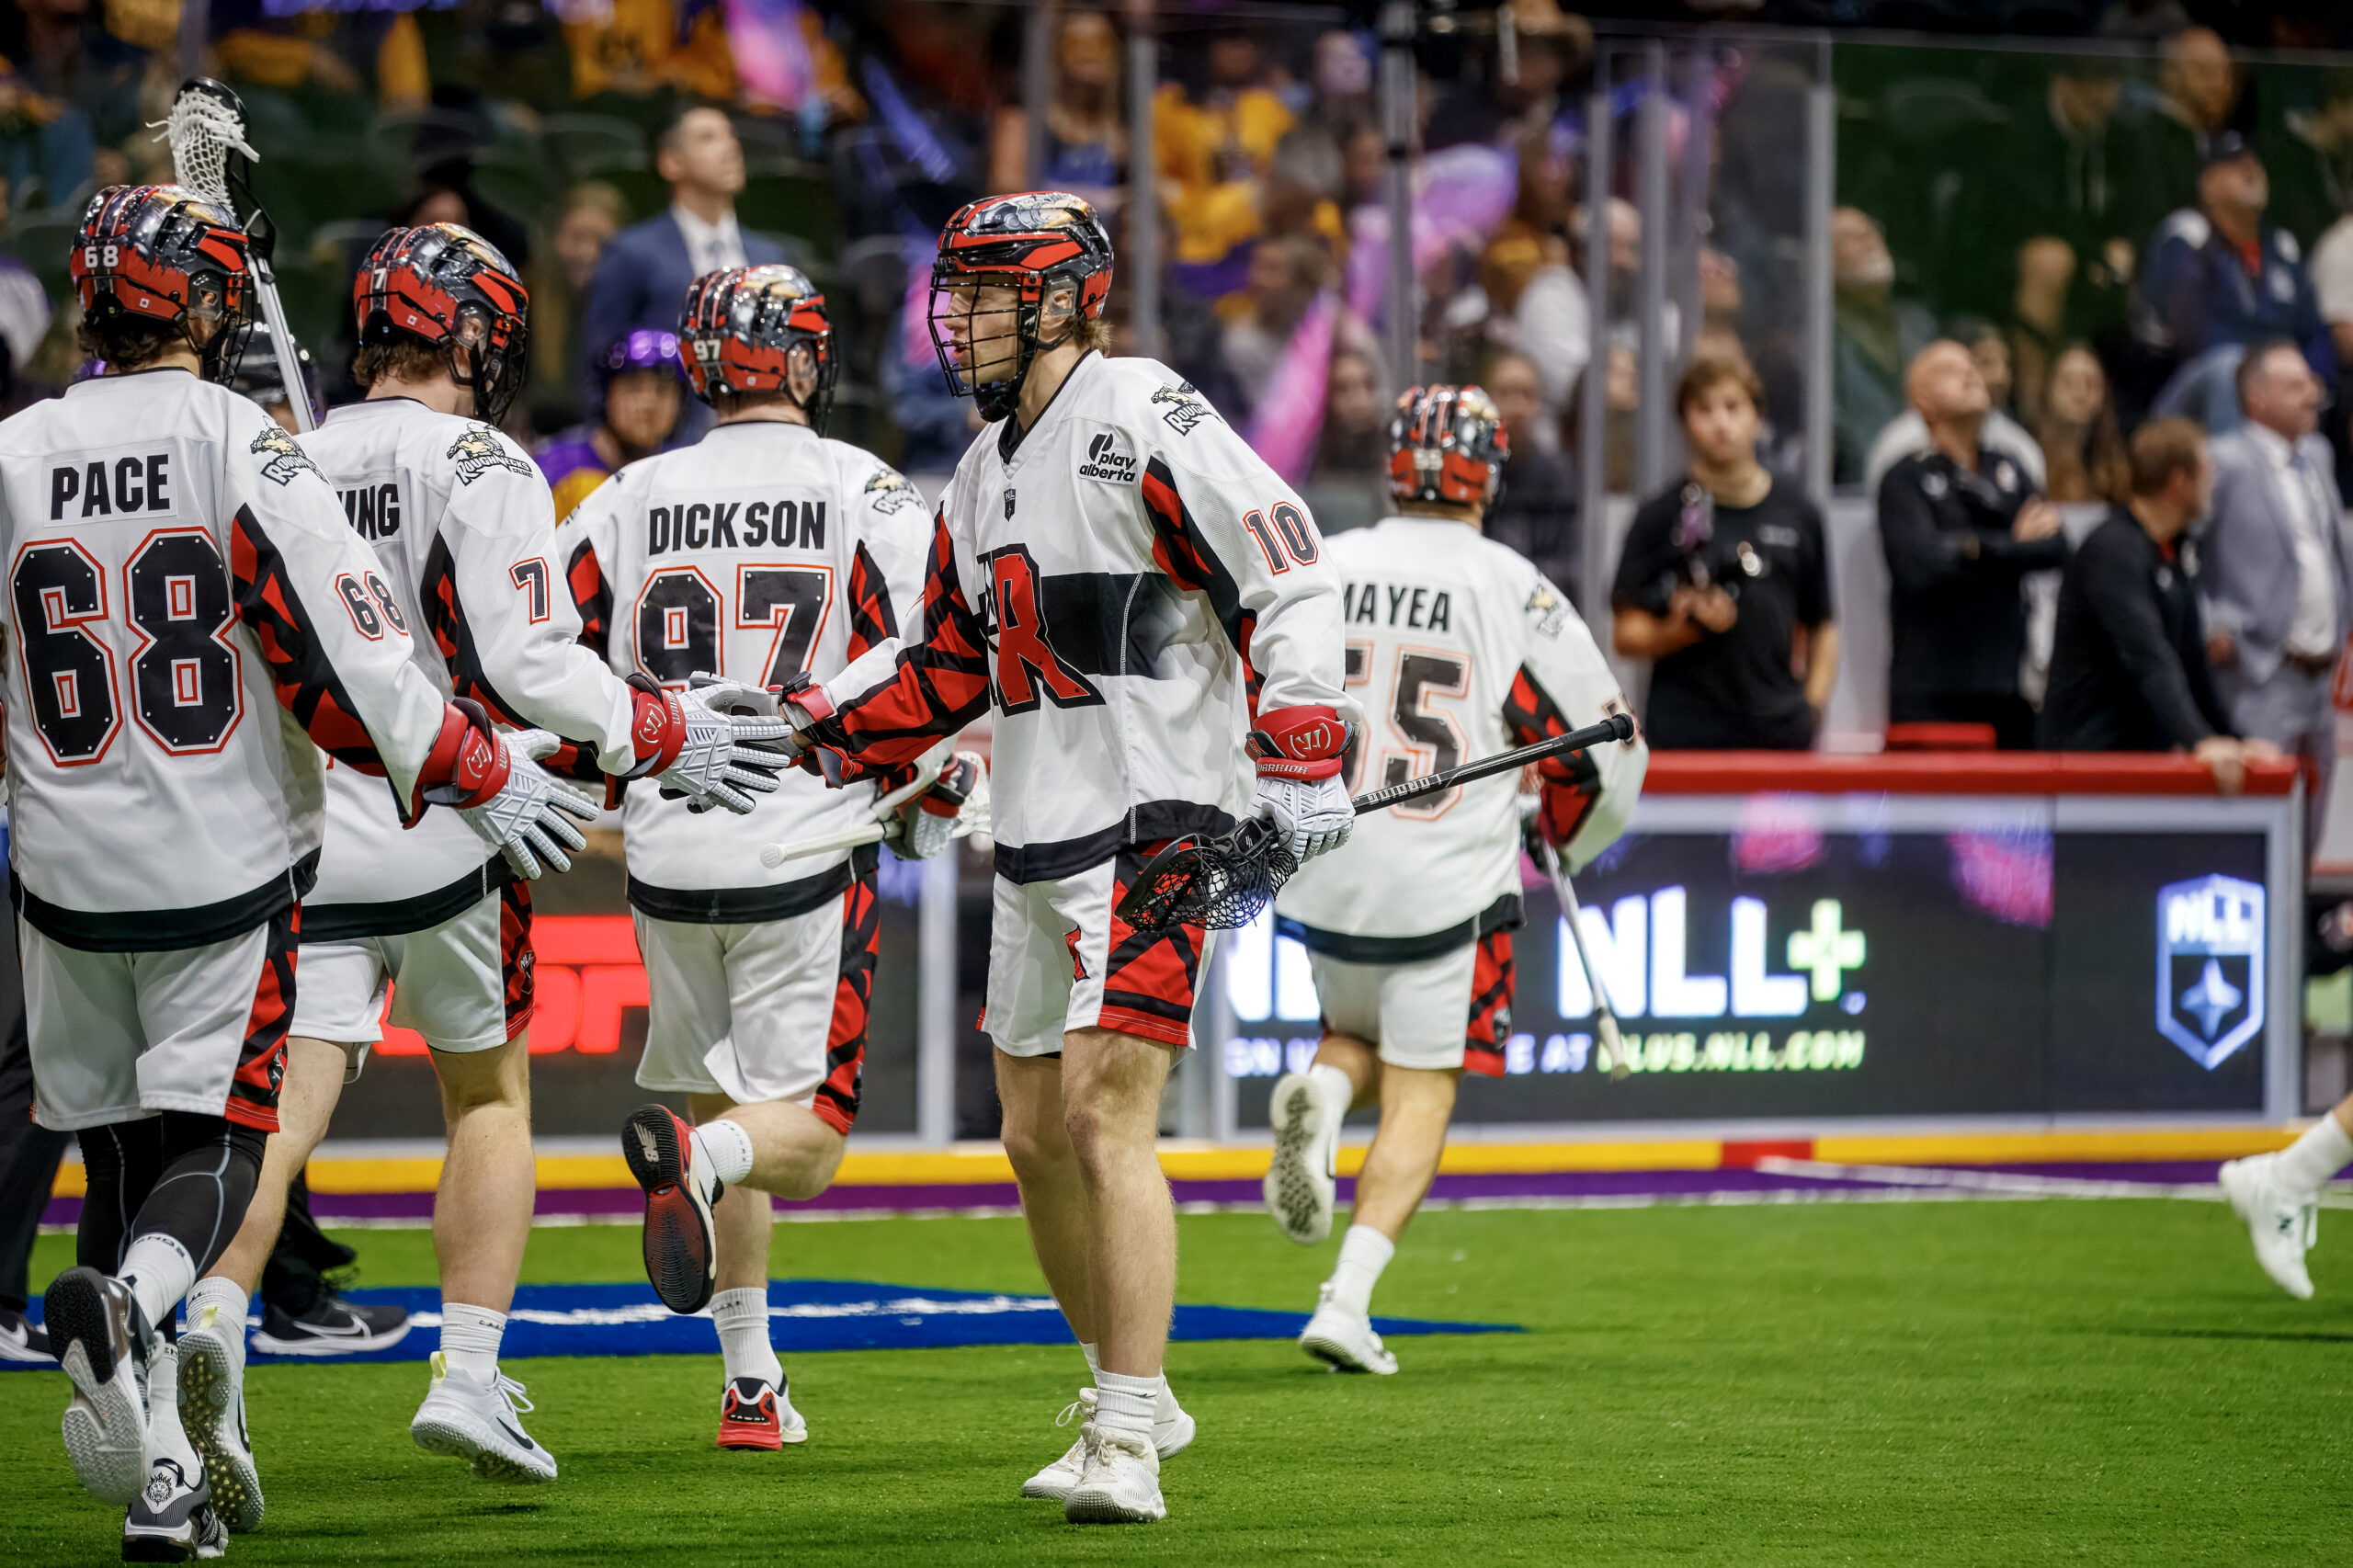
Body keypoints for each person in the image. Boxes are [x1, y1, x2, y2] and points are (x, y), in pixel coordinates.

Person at [180, 222, 791, 1505]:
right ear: (466, 333)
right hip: (459, 822)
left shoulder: (279, 455)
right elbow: (525, 662)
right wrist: (658, 728)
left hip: (305, 837)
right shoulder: (478, 457)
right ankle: (465, 1374)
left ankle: (216, 1329)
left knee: (276, 1115)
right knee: (489, 1099)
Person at [766, 190, 1353, 1524]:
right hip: (1035, 826)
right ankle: (1126, 1389)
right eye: (959, 295)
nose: (961, 320)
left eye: (988, 294)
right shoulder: (979, 471)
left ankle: (1130, 1432)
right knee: (1032, 1136)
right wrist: (802, 729)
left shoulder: (1142, 406)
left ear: (1062, 300)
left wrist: (1306, 741)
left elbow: (1286, 567)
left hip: (1156, 819)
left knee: (1103, 1116)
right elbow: (945, 663)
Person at [15, 183, 578, 1559]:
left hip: (61, 878)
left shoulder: (14, 447)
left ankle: (165, 1480)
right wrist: (480, 766)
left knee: (126, 1157)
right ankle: (141, 1307)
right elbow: (343, 672)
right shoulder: (242, 438)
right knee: (219, 1147)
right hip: (221, 866)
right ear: (211, 304)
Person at [566, 265, 961, 1451]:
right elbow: (936, 641)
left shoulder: (628, 492)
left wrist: (629, 746)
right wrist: (847, 733)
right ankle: (698, 1160)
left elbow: (536, 647)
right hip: (798, 836)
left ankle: (750, 1381)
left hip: (665, 846)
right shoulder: (859, 483)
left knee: (722, 1102)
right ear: (802, 360)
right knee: (806, 1136)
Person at [1263, 384, 1643, 1373]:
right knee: (1423, 1089)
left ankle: (1320, 1091)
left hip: (1327, 866)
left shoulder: (1330, 561)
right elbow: (1603, 746)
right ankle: (1347, 1301)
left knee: (1353, 1036)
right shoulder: (1508, 584)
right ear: (1489, 472)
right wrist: (1561, 833)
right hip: (1446, 886)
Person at [2037, 419, 2270, 798]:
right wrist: (2199, 740)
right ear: (2179, 481)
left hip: (2138, 757)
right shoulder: (2112, 550)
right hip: (2086, 760)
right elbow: (2147, 655)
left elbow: (2193, 663)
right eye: (2207, 473)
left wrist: (2232, 740)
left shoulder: (2174, 550)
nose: (2212, 485)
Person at [1613, 358, 1836, 750]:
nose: (1720, 423)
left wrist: (1812, 709)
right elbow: (1625, 633)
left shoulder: (1799, 513)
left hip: (1779, 731)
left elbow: (1823, 624)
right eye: (1704, 409)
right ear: (1684, 422)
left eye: (1733, 407)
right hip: (1686, 730)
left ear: (1757, 417)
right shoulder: (1659, 516)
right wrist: (1682, 629)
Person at [1877, 339, 2067, 749]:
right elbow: (1919, 569)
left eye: (1971, 368)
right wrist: (2012, 546)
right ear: (1920, 401)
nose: (1969, 375)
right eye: (1948, 371)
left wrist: (1973, 549)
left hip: (2010, 687)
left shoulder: (2010, 468)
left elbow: (2054, 547)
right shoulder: (1904, 480)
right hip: (1933, 690)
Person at [2197, 340, 2351, 811]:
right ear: (2257, 397)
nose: (2313, 394)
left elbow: (2329, 547)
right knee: (2258, 814)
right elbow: (2182, 544)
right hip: (2260, 671)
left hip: (2320, 674)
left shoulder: (2318, 455)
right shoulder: (2224, 460)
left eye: (2312, 383)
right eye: (2295, 386)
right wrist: (2208, 621)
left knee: (2312, 817)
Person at [579, 107, 787, 409]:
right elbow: (597, 363)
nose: (731, 147)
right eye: (708, 138)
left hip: (759, 423)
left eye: (731, 136)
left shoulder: (772, 258)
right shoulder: (632, 253)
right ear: (671, 162)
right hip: (666, 427)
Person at [2148, 134, 2322, 367]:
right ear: (2207, 184)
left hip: (2282, 373)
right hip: (2206, 372)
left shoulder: (2282, 243)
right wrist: (2258, 369)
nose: (2251, 170)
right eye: (2234, 164)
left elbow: (2313, 329)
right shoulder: (2189, 233)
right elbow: (2190, 332)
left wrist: (2312, 373)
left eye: (2255, 162)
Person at [1831, 207, 1938, 485]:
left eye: (1873, 231)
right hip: (1856, 489)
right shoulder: (1822, 334)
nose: (1871, 241)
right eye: (1853, 237)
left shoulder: (1919, 324)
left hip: (1930, 482)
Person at [536, 330, 687, 518]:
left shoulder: (683, 477)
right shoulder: (554, 468)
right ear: (606, 394)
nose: (648, 403)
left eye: (662, 391)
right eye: (633, 387)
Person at [987, 8, 1126, 208]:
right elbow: (1003, 187)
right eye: (1076, 43)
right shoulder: (1022, 119)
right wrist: (1092, 200)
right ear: (1057, 52)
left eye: (1100, 43)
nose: (1089, 53)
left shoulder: (1119, 125)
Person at [1481, 349, 1580, 597]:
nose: (1517, 407)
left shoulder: (1559, 478)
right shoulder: (1467, 477)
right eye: (1505, 393)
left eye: (1527, 394)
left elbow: (1568, 569)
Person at [2037, 343, 2131, 505]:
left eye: (2090, 384)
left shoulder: (2117, 467)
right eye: (2068, 383)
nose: (2080, 394)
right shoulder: (2029, 457)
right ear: (2048, 390)